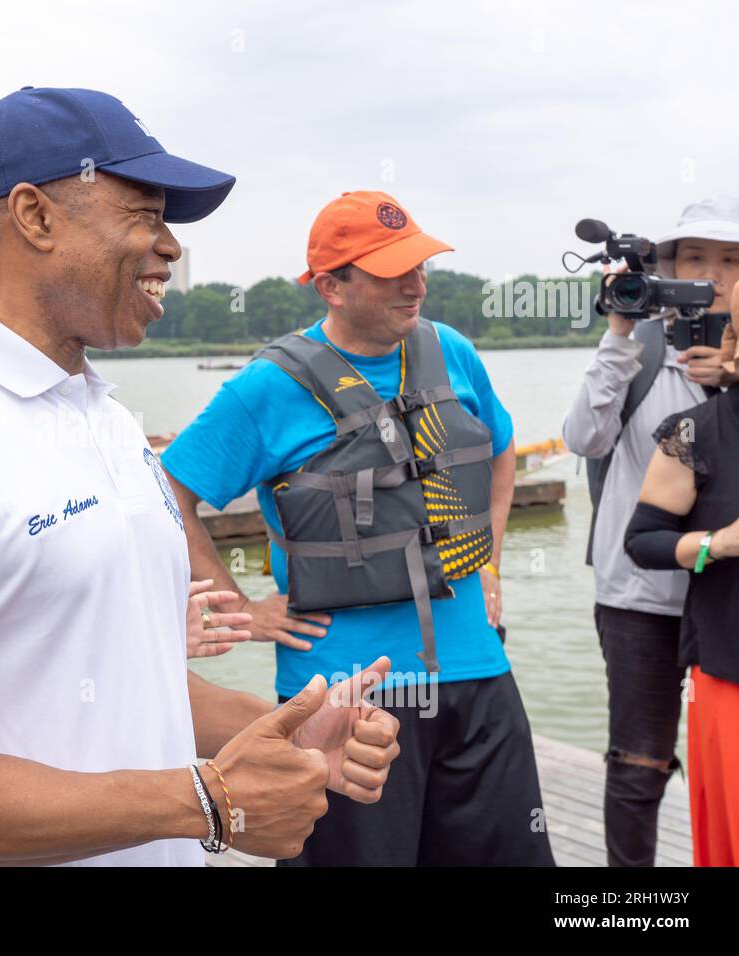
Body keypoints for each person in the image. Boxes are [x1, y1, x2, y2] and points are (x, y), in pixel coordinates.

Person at [0, 87, 401, 867]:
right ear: (34, 217)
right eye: (144, 214)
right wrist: (204, 801)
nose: (170, 247)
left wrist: (272, 728)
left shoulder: (105, 420)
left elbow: (127, 676)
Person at [163, 190, 553, 866]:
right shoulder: (263, 390)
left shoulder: (452, 351)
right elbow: (170, 491)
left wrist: (484, 561)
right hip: (342, 695)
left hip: (477, 672)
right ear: (330, 286)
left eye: (420, 265)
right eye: (391, 270)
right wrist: (240, 610)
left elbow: (496, 453)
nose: (415, 283)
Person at [561, 196, 739, 866]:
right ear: (666, 266)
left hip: (725, 595)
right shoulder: (636, 351)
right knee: (639, 764)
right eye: (696, 257)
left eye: (730, 260)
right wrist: (618, 335)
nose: (714, 274)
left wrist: (729, 379)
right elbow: (583, 436)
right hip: (643, 593)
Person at [624, 280, 739, 865]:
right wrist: (716, 543)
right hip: (728, 674)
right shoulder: (695, 431)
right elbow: (641, 541)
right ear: (733, 344)